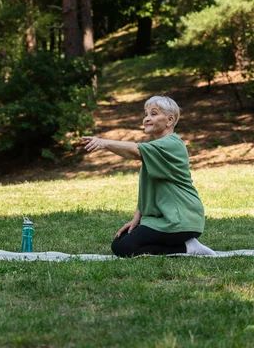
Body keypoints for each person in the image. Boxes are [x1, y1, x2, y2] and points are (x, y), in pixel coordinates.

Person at [82, 96, 215, 257]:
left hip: (180, 218)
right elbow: (149, 189)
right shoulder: (155, 149)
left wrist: (104, 143)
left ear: (169, 120)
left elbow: (134, 150)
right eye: (146, 114)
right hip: (164, 218)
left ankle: (187, 248)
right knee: (120, 242)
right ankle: (185, 243)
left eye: (153, 114)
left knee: (124, 248)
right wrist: (136, 219)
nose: (147, 118)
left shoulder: (171, 144)